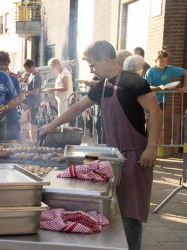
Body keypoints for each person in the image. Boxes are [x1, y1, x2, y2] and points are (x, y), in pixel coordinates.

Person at [40, 40, 162, 250]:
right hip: (113, 156)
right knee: (113, 209)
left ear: (105, 59)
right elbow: (78, 106)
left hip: (136, 157)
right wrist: (51, 125)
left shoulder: (133, 82)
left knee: (130, 214)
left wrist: (151, 148)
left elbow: (156, 113)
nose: (91, 69)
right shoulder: (103, 86)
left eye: (92, 64)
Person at [0, 51, 21, 140]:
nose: (4, 67)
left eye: (6, 64)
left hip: (11, 117)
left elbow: (17, 99)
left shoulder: (13, 80)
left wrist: (6, 107)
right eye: (1, 64)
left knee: (13, 145)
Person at [23, 59, 42, 143]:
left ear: (30, 67)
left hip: (34, 102)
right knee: (29, 121)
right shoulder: (31, 74)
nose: (25, 70)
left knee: (32, 121)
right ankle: (30, 140)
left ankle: (33, 141)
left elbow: (36, 92)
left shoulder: (36, 76)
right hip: (29, 101)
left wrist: (24, 91)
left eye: (26, 68)